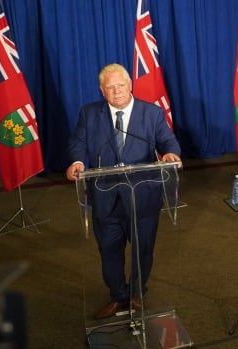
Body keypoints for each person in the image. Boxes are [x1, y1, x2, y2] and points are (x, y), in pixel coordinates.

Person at [66, 63, 181, 319]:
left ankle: (137, 294)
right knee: (109, 251)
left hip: (143, 196)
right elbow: (78, 143)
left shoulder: (152, 113)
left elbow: (168, 141)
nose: (116, 91)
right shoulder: (89, 113)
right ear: (102, 90)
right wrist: (77, 162)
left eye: (121, 86)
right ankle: (118, 296)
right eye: (110, 87)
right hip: (105, 195)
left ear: (130, 86)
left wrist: (171, 153)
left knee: (143, 250)